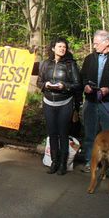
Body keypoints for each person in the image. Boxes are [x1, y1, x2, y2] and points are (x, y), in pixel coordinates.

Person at [37, 37, 81, 175]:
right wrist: (45, 85)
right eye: (59, 46)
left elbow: (77, 84)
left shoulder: (70, 64)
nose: (62, 49)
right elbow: (39, 81)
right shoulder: (45, 64)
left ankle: (63, 164)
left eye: (64, 47)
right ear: (53, 48)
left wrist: (64, 86)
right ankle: (54, 162)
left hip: (65, 103)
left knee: (63, 133)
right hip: (48, 103)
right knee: (52, 133)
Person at [80, 30, 109, 173]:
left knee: (108, 135)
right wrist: (86, 85)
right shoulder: (89, 58)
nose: (94, 46)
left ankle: (108, 166)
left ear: (107, 43)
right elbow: (83, 77)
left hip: (108, 103)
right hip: (91, 102)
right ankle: (89, 161)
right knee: (90, 133)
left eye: (96, 43)